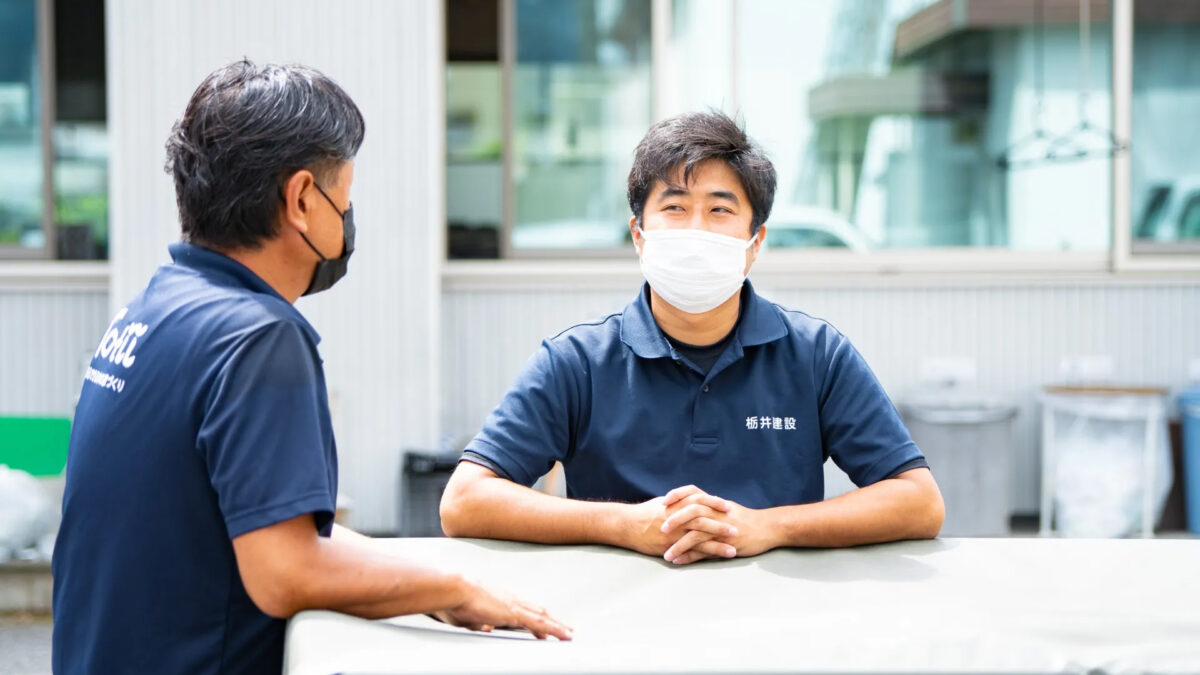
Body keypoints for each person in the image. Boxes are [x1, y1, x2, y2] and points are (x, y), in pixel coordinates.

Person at [51, 60, 570, 675]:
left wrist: (431, 577)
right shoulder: (258, 338)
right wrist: (453, 593)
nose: (348, 217)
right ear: (301, 198)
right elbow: (285, 571)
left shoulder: (152, 309)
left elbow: (269, 521)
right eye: (344, 195)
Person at [440, 111, 944, 565]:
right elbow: (465, 501)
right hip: (620, 622)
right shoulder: (577, 361)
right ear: (639, 235)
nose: (695, 230)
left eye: (720, 210)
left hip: (781, 618)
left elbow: (917, 500)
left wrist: (768, 527)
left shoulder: (815, 354)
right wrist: (626, 524)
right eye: (675, 208)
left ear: (755, 243)